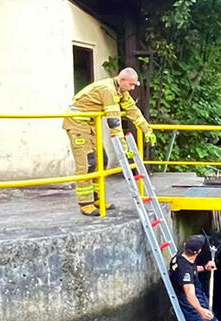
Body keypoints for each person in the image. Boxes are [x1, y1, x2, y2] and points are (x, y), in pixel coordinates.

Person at [64, 67, 157, 216]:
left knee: (102, 160)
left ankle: (96, 198)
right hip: (77, 124)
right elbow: (114, 122)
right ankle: (85, 203)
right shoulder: (108, 90)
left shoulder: (121, 90)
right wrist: (124, 147)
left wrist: (147, 130)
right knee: (87, 163)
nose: (132, 88)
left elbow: (132, 110)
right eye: (131, 84)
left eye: (134, 85)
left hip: (89, 125)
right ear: (122, 80)